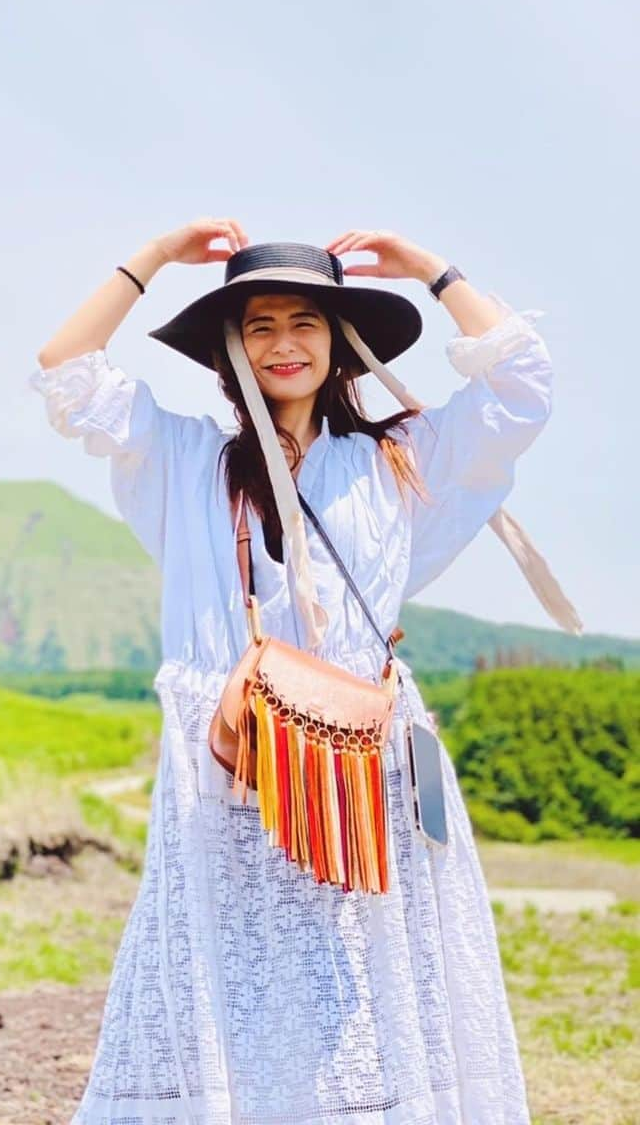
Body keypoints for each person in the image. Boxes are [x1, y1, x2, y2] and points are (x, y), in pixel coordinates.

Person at [29, 219, 554, 1125]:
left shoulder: (396, 458)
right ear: (233, 348)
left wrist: (430, 268)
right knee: (230, 966)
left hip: (362, 760)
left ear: (339, 344)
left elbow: (522, 385)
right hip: (227, 763)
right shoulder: (184, 456)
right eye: (259, 324)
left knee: (361, 969)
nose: (283, 343)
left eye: (305, 322)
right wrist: (152, 257)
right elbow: (64, 366)